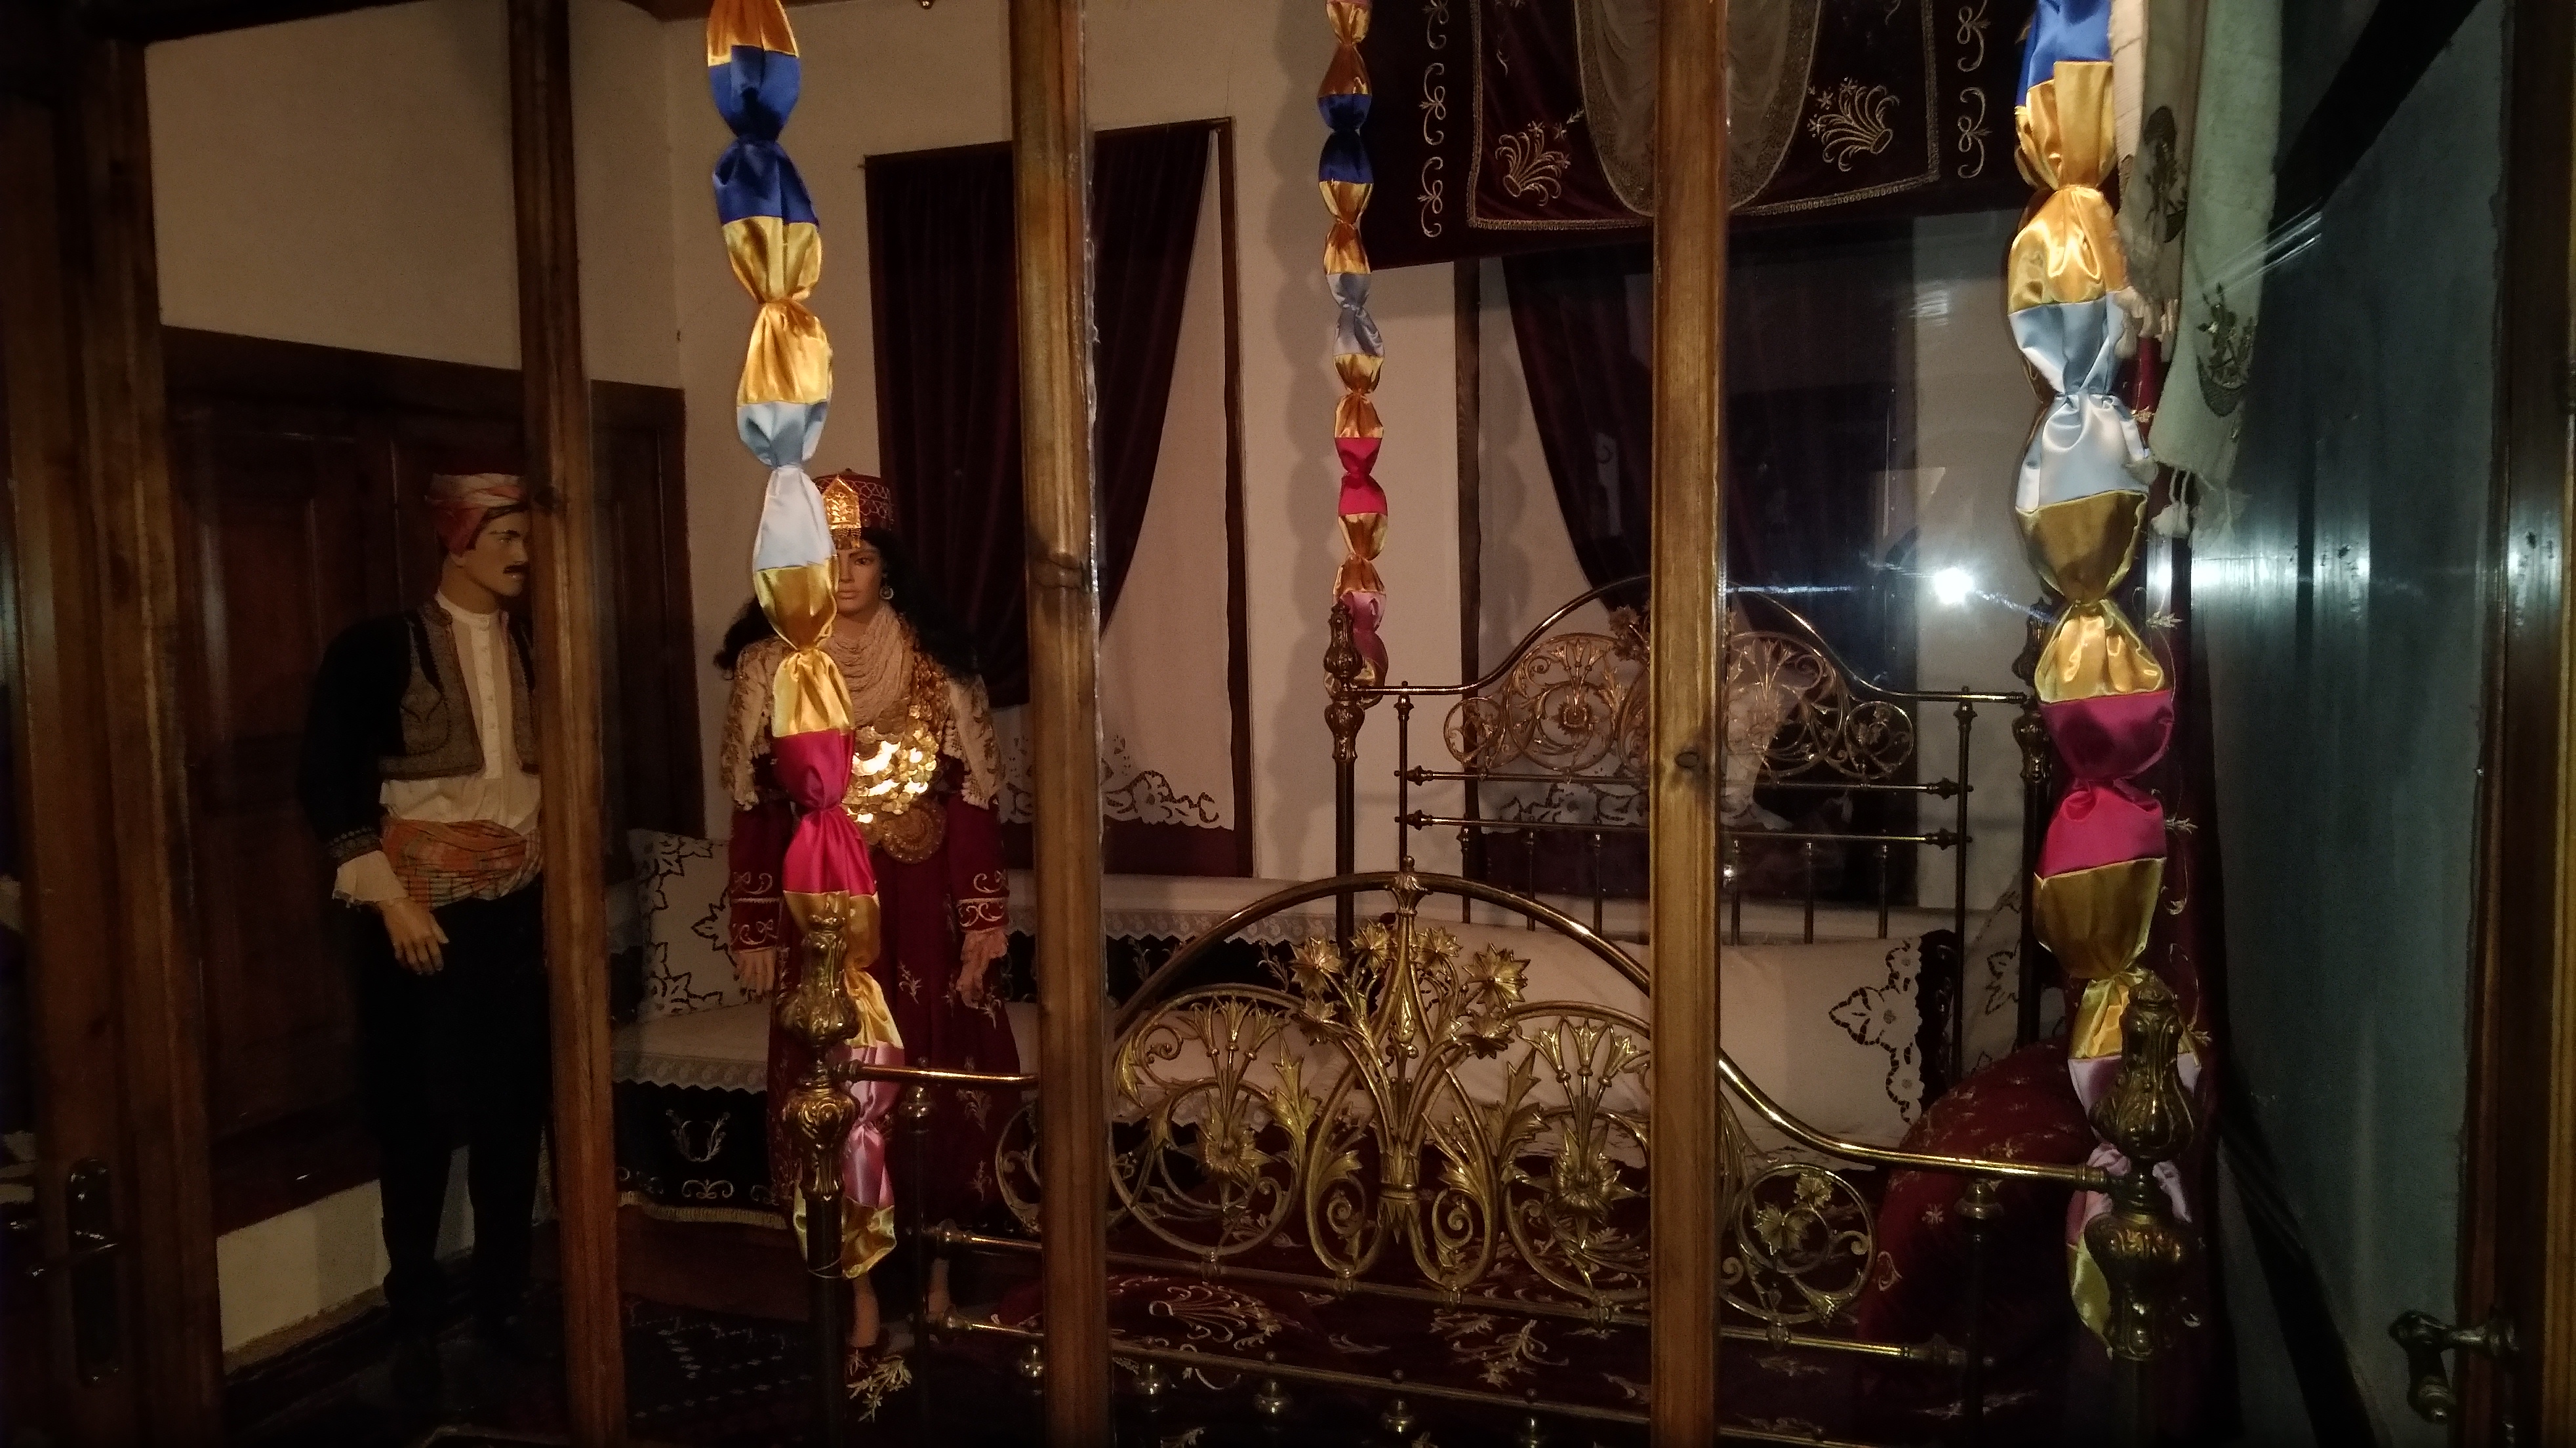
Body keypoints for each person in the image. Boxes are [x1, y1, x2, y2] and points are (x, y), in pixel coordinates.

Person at [718, 470, 1015, 1368]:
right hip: (821, 913)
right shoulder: (771, 667)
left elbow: (972, 806)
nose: (843, 573)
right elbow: (754, 813)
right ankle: (859, 1291)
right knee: (838, 1093)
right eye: (827, 556)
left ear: (889, 566)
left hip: (921, 906)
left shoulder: (937, 663)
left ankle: (937, 1273)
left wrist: (984, 921)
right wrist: (755, 927)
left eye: (861, 556)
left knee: (934, 1087)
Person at [296, 473, 549, 1399]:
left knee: (512, 1119)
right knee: (417, 1123)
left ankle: (503, 1304)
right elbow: (327, 779)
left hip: (515, 915)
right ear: (457, 539)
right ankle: (413, 1316)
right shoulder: (377, 649)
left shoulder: (537, 646)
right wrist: (394, 901)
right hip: (423, 920)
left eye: (526, 537)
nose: (522, 554)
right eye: (505, 536)